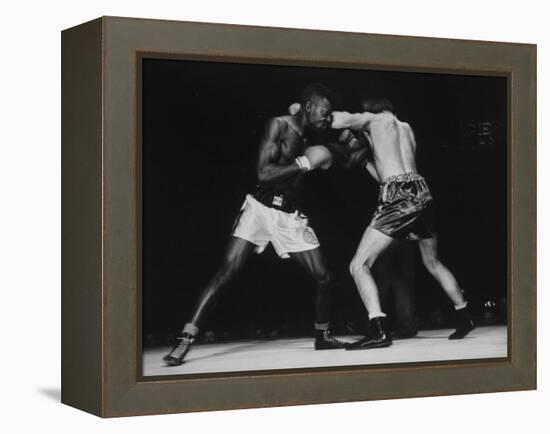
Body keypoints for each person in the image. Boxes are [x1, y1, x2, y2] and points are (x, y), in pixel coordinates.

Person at [163, 84, 347, 367]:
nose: (327, 118)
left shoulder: (312, 130)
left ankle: (322, 336)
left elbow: (337, 139)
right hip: (259, 209)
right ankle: (185, 339)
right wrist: (304, 163)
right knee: (227, 272)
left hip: (288, 216)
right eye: (324, 112)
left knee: (324, 277)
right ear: (309, 107)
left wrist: (340, 143)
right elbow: (264, 173)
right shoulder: (278, 126)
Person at [331, 97, 476, 350]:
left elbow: (337, 119)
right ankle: (465, 316)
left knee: (359, 265)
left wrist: (304, 109)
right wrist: (365, 161)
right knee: (432, 261)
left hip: (398, 196)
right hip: (422, 191)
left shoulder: (373, 119)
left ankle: (378, 330)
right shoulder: (406, 128)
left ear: (370, 109)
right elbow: (389, 171)